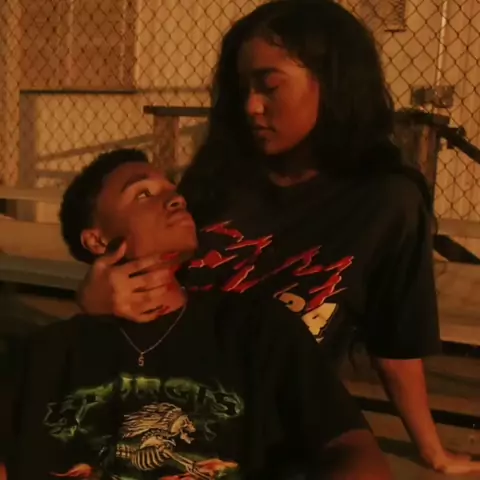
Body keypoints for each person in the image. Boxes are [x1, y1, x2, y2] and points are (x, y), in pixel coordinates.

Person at [76, 0, 480, 475]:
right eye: (242, 88)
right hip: (163, 409)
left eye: (269, 86)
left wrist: (432, 450)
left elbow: (395, 345)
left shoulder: (387, 201)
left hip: (276, 433)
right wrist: (95, 301)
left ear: (333, 82)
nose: (251, 106)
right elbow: (146, 284)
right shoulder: (219, 179)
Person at [5, 149, 392, 480]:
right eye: (143, 194)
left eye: (172, 189)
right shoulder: (47, 354)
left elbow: (354, 448)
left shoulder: (253, 328)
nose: (175, 199)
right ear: (97, 239)